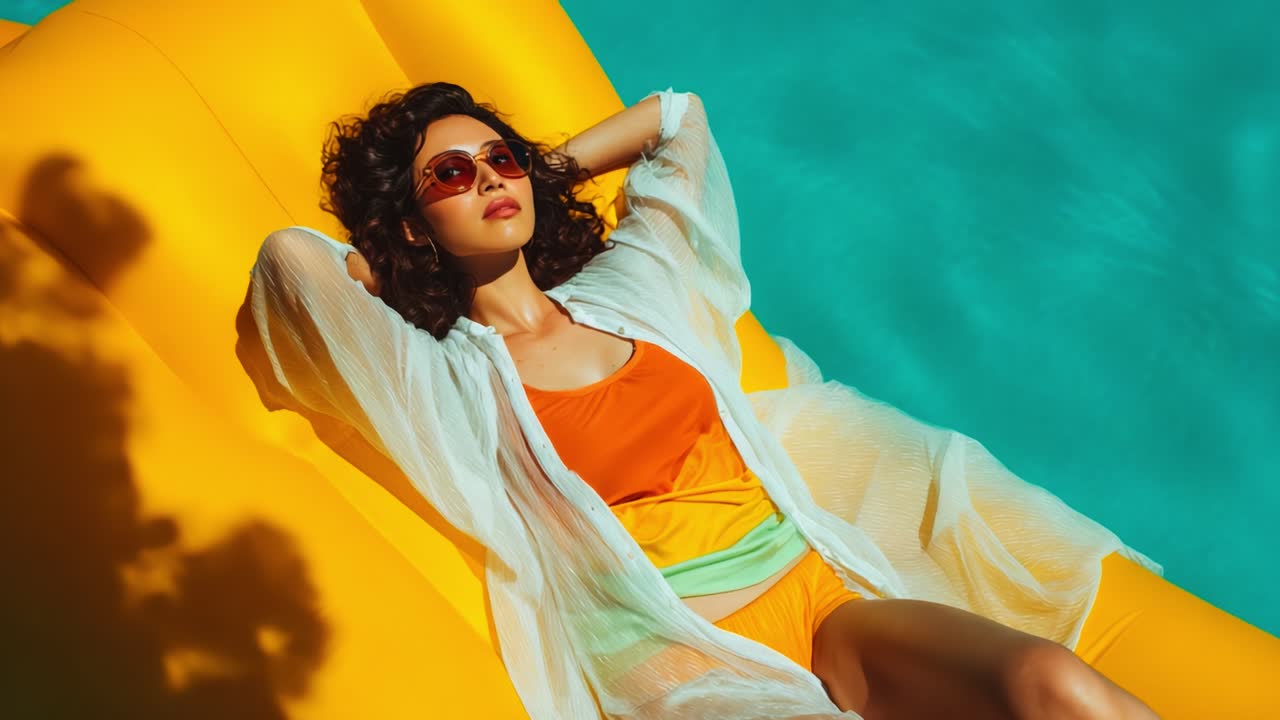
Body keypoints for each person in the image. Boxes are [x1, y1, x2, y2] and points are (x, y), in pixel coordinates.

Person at [247, 82, 1167, 718]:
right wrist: (395, 257)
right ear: (415, 219)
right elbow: (294, 264)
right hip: (673, 659)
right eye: (451, 173)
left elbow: (675, 117)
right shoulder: (443, 376)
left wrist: (542, 169)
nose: (488, 177)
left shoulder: (629, 291)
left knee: (1050, 684)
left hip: (817, 598)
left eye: (499, 157)